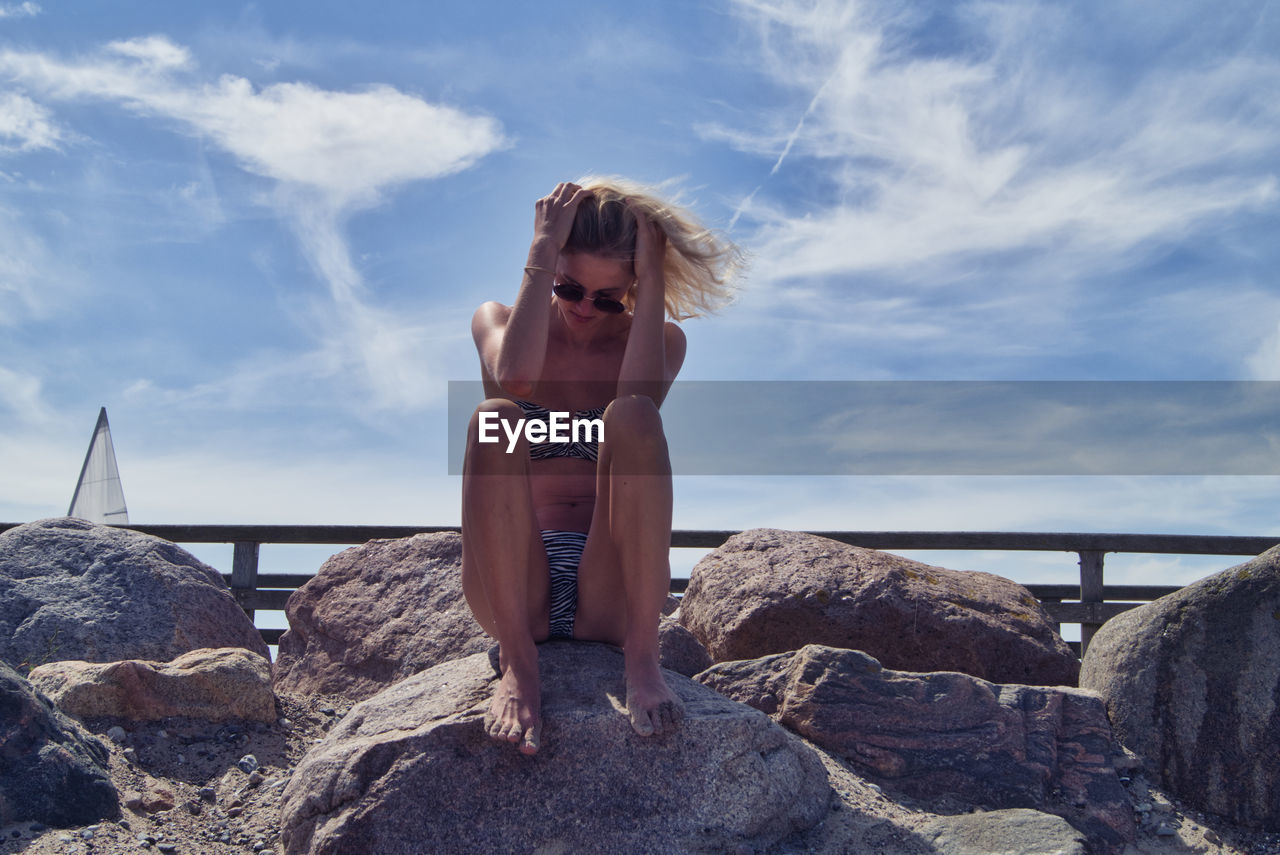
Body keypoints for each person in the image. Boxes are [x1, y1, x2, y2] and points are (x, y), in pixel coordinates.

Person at [461, 177, 741, 754]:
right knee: (494, 418)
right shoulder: (495, 319)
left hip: (610, 587)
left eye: (608, 297)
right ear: (552, 265)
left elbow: (637, 401)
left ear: (634, 286)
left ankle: (642, 660)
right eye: (570, 288)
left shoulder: (663, 339)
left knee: (635, 416)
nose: (586, 307)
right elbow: (515, 380)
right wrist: (542, 249)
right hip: (516, 580)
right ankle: (520, 666)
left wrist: (655, 273)